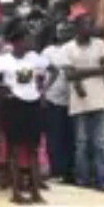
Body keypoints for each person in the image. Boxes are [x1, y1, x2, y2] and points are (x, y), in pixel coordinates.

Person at [0, 23, 47, 206]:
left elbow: (54, 70)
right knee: (14, 149)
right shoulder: (4, 60)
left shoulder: (34, 57)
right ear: (18, 41)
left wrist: (43, 88)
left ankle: (35, 192)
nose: (30, 41)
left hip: (33, 103)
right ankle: (16, 192)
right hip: (14, 104)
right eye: (27, 38)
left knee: (33, 148)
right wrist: (2, 87)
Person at [62, 16, 104, 190]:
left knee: (100, 144)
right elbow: (69, 75)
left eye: (91, 24)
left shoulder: (100, 44)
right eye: (86, 24)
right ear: (77, 27)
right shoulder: (67, 48)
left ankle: (103, 181)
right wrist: (96, 70)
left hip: (100, 99)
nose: (90, 28)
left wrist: (80, 72)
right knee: (81, 143)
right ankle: (82, 181)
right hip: (79, 102)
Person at [39, 23, 75, 184]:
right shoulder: (48, 52)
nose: (64, 33)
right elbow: (40, 74)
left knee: (70, 137)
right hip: (53, 98)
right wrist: (42, 93)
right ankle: (56, 170)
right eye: (61, 31)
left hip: (74, 100)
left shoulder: (74, 49)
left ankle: (69, 172)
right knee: (54, 136)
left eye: (67, 30)